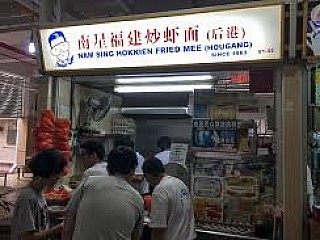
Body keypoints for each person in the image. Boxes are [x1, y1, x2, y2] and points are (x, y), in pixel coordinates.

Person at [62, 146, 144, 240]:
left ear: (108, 167)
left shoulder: (89, 182)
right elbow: (136, 236)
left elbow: (69, 220)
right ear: (133, 170)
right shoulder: (137, 199)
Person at [11, 149, 68, 240]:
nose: (59, 178)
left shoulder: (38, 192)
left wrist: (65, 212)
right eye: (58, 174)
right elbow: (26, 237)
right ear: (50, 173)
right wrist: (59, 228)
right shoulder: (28, 198)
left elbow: (41, 214)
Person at [142, 157, 196, 240]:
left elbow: (158, 228)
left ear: (148, 174)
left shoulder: (159, 190)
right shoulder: (179, 183)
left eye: (145, 176)